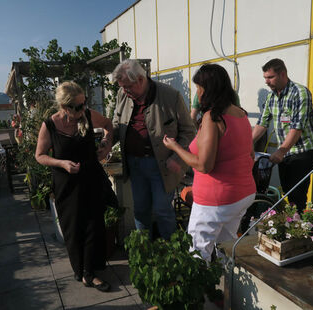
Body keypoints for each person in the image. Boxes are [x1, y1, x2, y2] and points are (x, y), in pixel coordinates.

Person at [163, 64, 256, 262]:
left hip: (216, 199)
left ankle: (200, 291)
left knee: (198, 251)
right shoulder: (241, 114)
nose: (197, 93)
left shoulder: (213, 117)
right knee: (226, 245)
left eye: (199, 88)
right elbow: (251, 155)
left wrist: (175, 148)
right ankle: (230, 286)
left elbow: (204, 165)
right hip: (242, 193)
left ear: (208, 88)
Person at [35, 81, 113, 292]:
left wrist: (105, 147)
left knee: (93, 224)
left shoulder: (88, 115)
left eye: (84, 104)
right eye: (77, 107)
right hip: (66, 184)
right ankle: (81, 270)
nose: (82, 109)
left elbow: (109, 125)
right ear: (64, 107)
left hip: (91, 178)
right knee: (73, 227)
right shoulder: (50, 125)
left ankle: (90, 273)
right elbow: (39, 156)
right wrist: (61, 163)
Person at [112, 59, 196, 240]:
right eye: (122, 87)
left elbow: (189, 132)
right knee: (140, 210)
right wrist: (106, 139)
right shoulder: (123, 94)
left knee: (163, 210)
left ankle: (169, 253)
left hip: (162, 165)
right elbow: (116, 124)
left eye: (128, 87)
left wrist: (177, 157)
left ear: (141, 80)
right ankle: (145, 251)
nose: (125, 91)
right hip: (135, 164)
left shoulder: (170, 96)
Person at [252, 58, 313, 212]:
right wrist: (246, 143)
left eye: (270, 77)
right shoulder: (271, 97)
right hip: (285, 152)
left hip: (303, 152)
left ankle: (301, 230)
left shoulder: (299, 93)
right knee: (288, 192)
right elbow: (262, 123)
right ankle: (292, 225)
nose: (267, 82)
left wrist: (281, 151)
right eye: (265, 78)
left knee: (297, 195)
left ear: (282, 74)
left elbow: (297, 127)